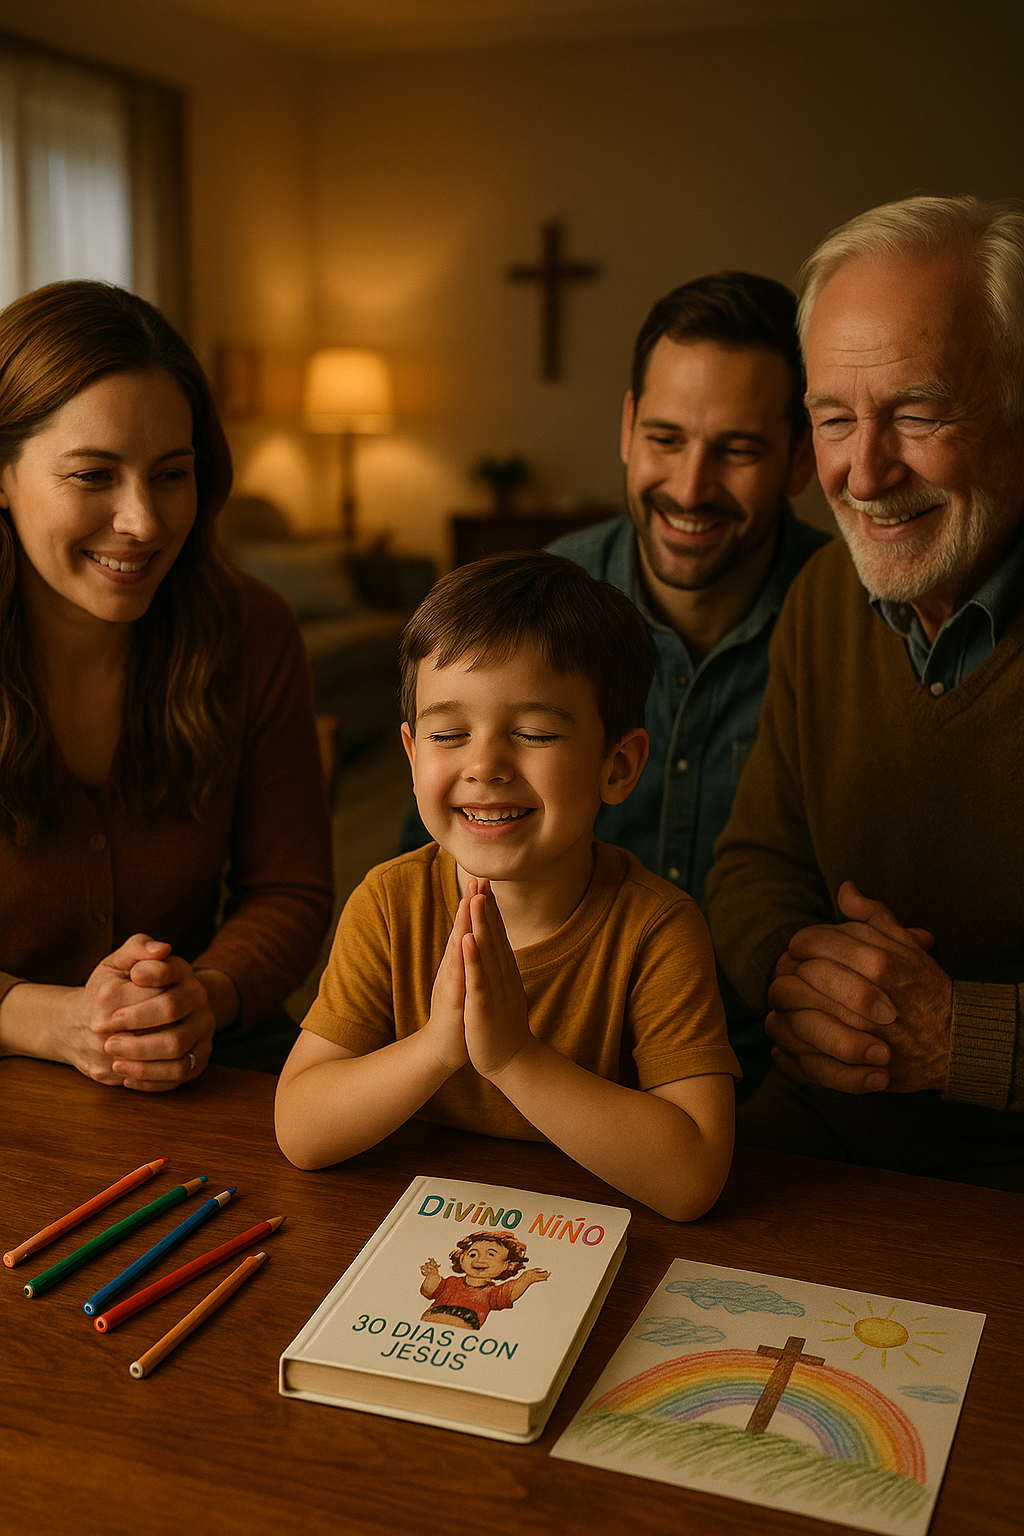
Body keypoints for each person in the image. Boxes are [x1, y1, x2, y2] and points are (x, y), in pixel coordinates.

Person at [707, 195, 1024, 1190]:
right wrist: (802, 970)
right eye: (833, 419)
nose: (863, 471)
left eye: (919, 414)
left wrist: (955, 1036)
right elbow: (755, 860)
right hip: (806, 1137)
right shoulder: (821, 595)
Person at [275, 552, 738, 1221]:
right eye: (448, 733)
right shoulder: (389, 904)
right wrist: (439, 1047)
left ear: (618, 766)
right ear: (412, 756)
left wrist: (515, 1056)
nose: (485, 765)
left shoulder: (656, 928)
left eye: (535, 733)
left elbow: (692, 1177)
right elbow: (301, 1129)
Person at [0, 280, 332, 1091]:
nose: (144, 521)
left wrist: (203, 998)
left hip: (197, 1068)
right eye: (92, 475)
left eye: (171, 473)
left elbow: (288, 889)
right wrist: (52, 1021)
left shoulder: (251, 629)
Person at [548, 272, 825, 1090]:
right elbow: (428, 866)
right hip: (550, 1061)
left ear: (802, 458)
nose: (691, 488)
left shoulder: (855, 620)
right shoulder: (538, 606)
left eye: (737, 450)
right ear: (628, 427)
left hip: (774, 1081)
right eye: (666, 438)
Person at [420, 1233, 548, 1331]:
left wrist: (526, 1279)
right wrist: (432, 1275)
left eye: (491, 1255)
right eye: (472, 1254)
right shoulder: (450, 1282)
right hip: (428, 1324)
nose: (479, 1260)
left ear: (508, 1265)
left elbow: (510, 1293)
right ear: (462, 1257)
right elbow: (429, 1291)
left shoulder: (491, 1293)